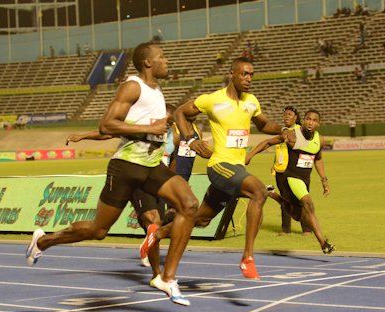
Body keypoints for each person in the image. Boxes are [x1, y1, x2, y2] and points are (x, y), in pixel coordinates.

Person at [26, 42, 199, 306]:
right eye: (162, 57)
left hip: (152, 167)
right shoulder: (132, 86)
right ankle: (45, 240)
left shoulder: (157, 90)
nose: (167, 61)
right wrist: (148, 128)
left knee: (189, 204)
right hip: (126, 168)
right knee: (98, 230)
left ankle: (166, 277)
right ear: (147, 62)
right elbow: (106, 125)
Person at [141, 57, 285, 279]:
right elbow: (180, 112)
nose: (248, 79)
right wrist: (190, 138)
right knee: (258, 190)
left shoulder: (251, 101)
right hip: (220, 166)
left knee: (200, 220)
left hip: (236, 169)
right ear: (231, 74)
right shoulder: (212, 100)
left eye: (251, 75)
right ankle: (248, 258)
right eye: (244, 74)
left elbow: (264, 124)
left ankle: (157, 235)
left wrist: (283, 129)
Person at [65, 103, 177, 274]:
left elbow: (172, 161)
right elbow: (108, 133)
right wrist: (82, 136)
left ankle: (151, 258)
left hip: (158, 179)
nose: (166, 124)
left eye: (170, 122)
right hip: (137, 175)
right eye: (164, 120)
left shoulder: (174, 138)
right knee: (152, 220)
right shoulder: (143, 127)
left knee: (155, 224)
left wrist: (171, 181)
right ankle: (155, 269)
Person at [246, 110, 335, 254]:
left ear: (319, 123)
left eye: (314, 120)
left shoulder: (320, 139)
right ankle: (324, 244)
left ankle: (272, 194)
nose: (310, 122)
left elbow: (317, 159)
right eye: (308, 119)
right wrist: (249, 156)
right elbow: (268, 142)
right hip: (292, 177)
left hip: (305, 179)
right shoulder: (292, 135)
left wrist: (324, 180)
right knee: (309, 205)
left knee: (297, 215)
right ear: (304, 120)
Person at [272, 107, 312, 236]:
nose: (286, 117)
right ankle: (285, 229)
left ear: (296, 117)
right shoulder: (283, 131)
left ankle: (306, 229)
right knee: (284, 199)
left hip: (296, 171)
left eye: (289, 114)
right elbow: (280, 149)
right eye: (285, 115)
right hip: (281, 170)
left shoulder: (300, 131)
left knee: (301, 199)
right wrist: (274, 163)